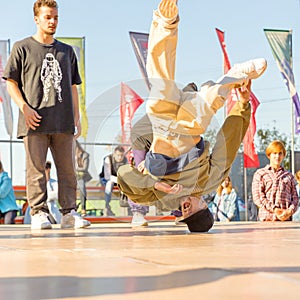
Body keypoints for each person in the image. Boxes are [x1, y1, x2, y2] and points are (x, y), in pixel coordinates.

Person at [117, 0, 267, 232]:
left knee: (160, 85)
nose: (184, 206)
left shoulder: (163, 199)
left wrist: (153, 182)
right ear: (204, 203)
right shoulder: (209, 181)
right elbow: (228, 142)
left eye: (183, 212)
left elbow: (124, 177)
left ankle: (165, 24)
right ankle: (232, 77)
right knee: (202, 110)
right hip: (187, 134)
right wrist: (243, 104)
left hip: (162, 129)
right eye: (192, 208)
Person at [2, 0, 90, 229]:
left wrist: (76, 116)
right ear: (36, 18)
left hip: (63, 121)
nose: (52, 22)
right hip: (33, 120)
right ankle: (39, 213)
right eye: (48, 17)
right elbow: (11, 83)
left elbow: (72, 86)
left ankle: (69, 214)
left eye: (56, 17)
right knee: (36, 170)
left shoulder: (67, 51)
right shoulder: (22, 48)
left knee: (68, 171)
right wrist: (24, 107)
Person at [252, 140, 299, 221]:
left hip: (285, 221)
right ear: (269, 155)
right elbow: (258, 197)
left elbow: (295, 198)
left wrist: (289, 211)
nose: (277, 156)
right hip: (266, 220)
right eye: (274, 153)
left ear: (283, 155)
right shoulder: (260, 174)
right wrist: (275, 209)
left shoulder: (289, 176)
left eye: (280, 153)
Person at [99, 146, 128, 216]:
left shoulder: (125, 160)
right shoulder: (108, 159)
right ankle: (107, 206)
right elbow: (107, 176)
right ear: (114, 154)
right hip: (106, 179)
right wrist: (119, 180)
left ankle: (127, 205)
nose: (120, 157)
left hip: (118, 180)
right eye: (118, 155)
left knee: (127, 184)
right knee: (109, 184)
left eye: (121, 155)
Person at [75, 140, 92, 216]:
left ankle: (83, 208)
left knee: (81, 185)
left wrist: (75, 168)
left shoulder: (85, 155)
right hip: (73, 176)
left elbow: (85, 168)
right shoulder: (69, 155)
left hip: (82, 176)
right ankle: (71, 208)